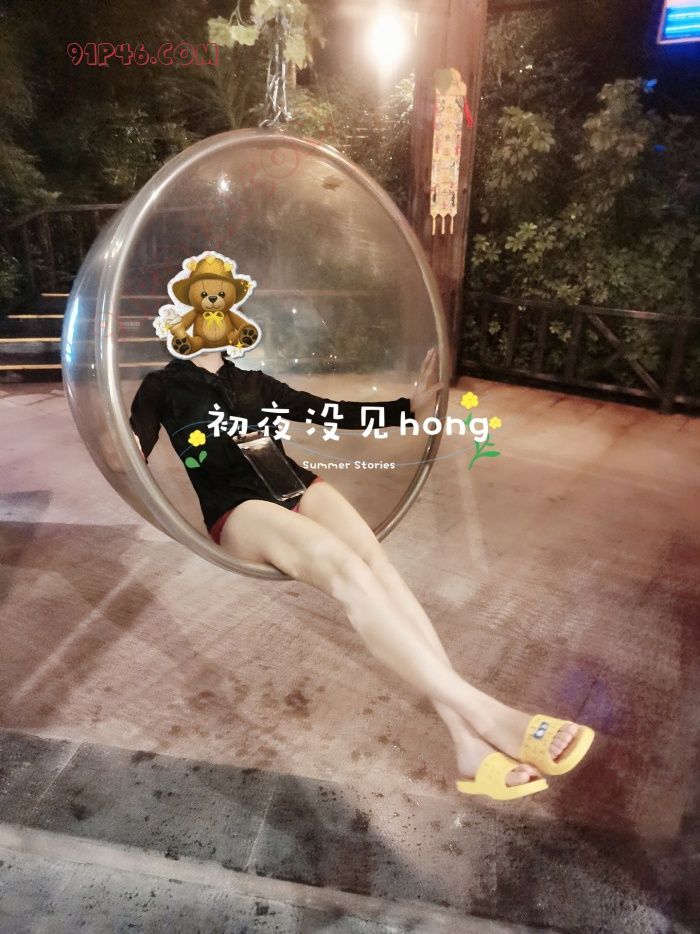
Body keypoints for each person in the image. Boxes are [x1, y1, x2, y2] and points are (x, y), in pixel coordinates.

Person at [130, 344, 595, 801]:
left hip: (295, 483)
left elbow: (326, 411)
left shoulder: (251, 381)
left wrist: (406, 409)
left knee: (381, 570)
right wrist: (122, 444)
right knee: (348, 572)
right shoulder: (162, 386)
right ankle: (491, 717)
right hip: (239, 509)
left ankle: (468, 744)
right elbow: (132, 449)